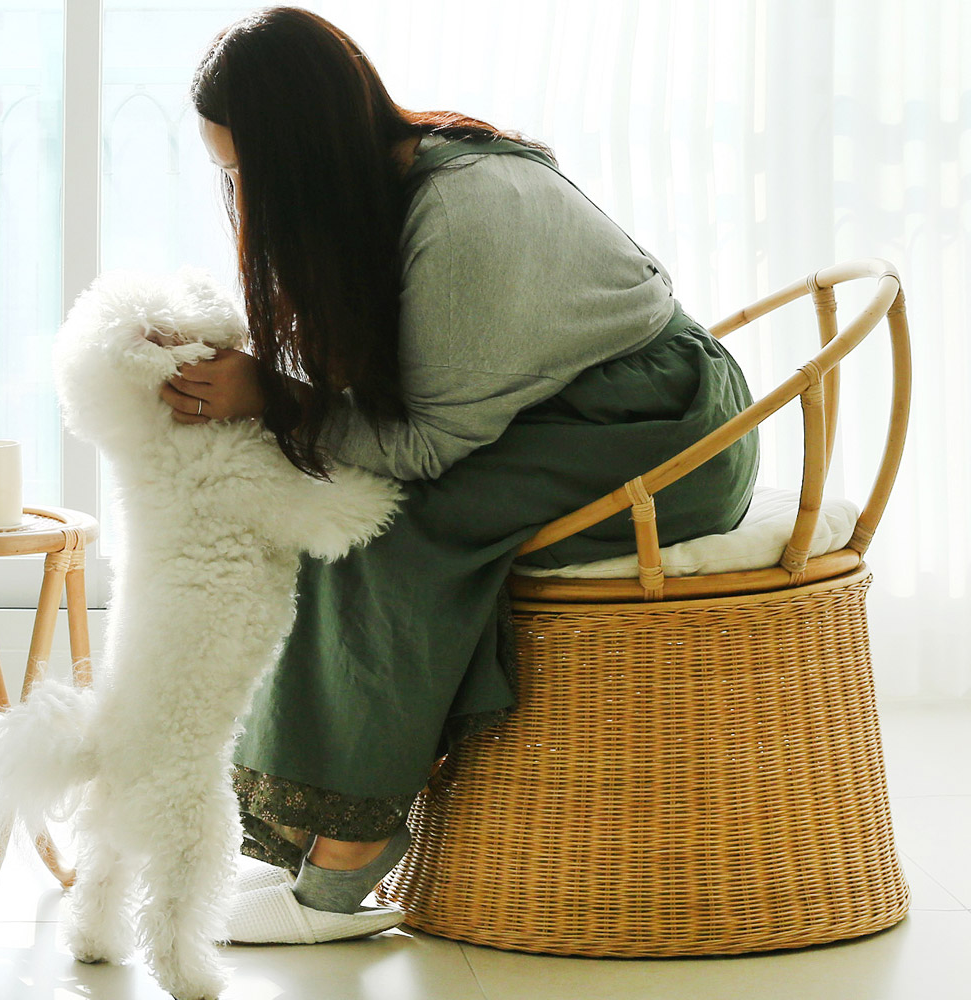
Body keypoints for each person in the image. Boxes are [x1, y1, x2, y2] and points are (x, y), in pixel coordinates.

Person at [161, 6, 758, 942]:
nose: (241, 195)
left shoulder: (463, 209)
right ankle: (297, 832)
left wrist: (270, 400)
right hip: (574, 414)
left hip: (661, 434)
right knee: (339, 504)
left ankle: (347, 859)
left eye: (246, 172)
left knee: (386, 522)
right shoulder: (393, 177)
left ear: (303, 150)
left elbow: (422, 447)